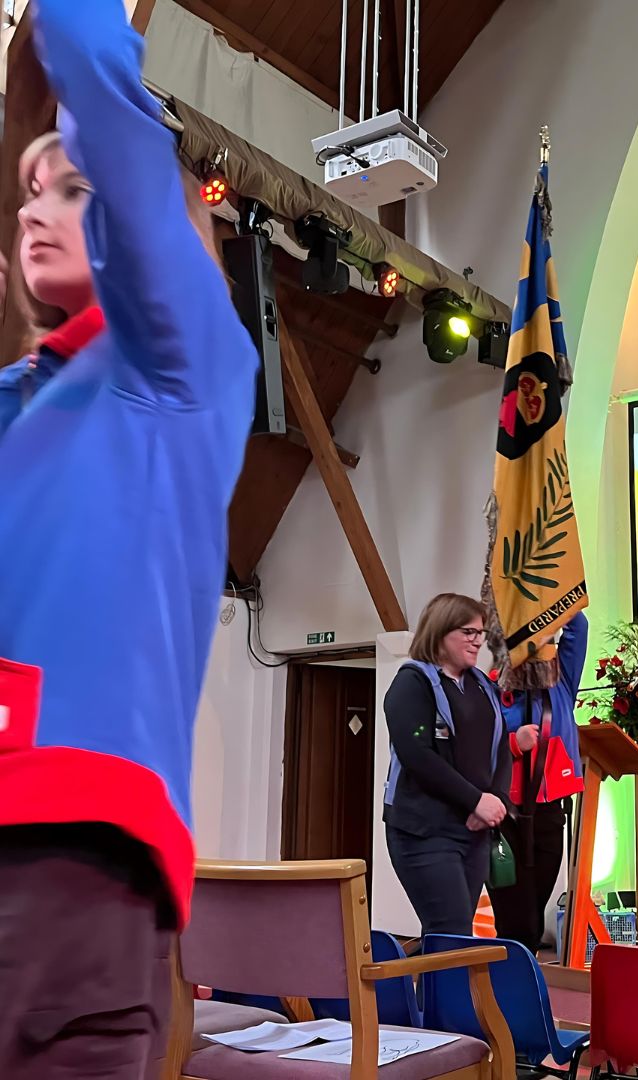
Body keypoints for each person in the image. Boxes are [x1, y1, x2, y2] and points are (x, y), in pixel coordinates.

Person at [0, 0, 258, 1074]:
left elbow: (101, 78)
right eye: (29, 191)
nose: (36, 206)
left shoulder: (182, 365)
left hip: (77, 857)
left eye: (73, 184)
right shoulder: (19, 397)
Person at [383, 593, 511, 937]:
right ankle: (442, 993)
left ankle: (441, 993)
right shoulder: (413, 682)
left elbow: (501, 744)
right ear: (440, 632)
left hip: (472, 831)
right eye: (468, 632)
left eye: (480, 632)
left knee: (454, 933)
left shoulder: (482, 685)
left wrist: (496, 798)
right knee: (448, 928)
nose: (477, 641)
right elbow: (418, 755)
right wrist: (474, 800)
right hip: (424, 831)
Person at [489, 611, 588, 953]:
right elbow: (474, 747)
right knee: (514, 917)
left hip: (548, 811)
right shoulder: (490, 685)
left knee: (534, 908)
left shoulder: (561, 681)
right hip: (505, 814)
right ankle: (511, 985)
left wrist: (550, 602)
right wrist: (515, 743)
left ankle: (520, 977)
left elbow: (578, 627)